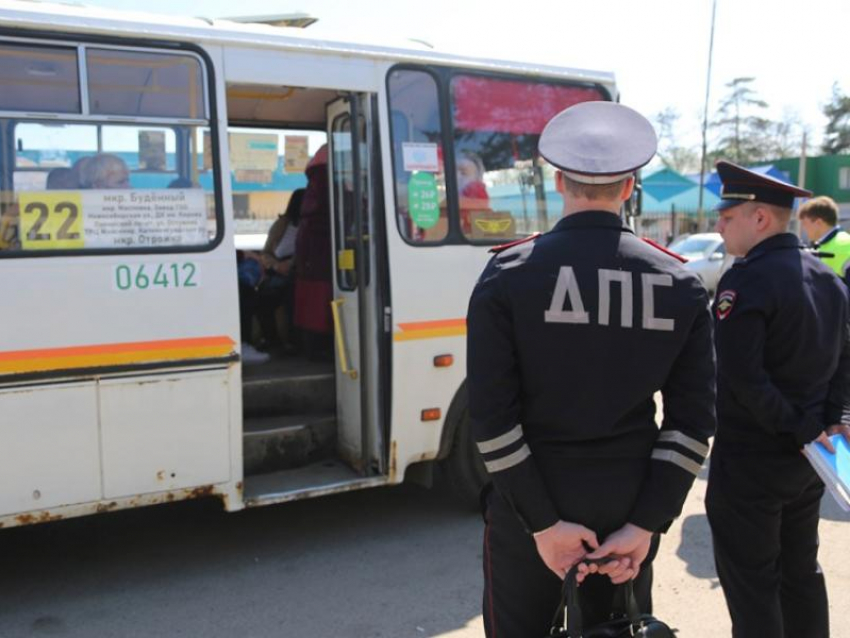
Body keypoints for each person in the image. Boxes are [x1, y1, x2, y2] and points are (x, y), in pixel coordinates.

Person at [467, 101, 717, 637]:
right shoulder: (680, 283)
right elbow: (692, 425)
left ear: (559, 181)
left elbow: (490, 420)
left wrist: (543, 524)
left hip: (528, 507)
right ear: (629, 187)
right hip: (625, 516)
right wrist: (645, 523)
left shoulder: (508, 274)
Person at [705, 161, 850, 638]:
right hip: (809, 462)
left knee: (753, 590)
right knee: (801, 574)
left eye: (726, 217)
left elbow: (743, 380)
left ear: (759, 218)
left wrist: (806, 426)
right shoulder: (828, 279)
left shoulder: (745, 282)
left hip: (752, 465)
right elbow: (844, 360)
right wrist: (830, 420)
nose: (718, 226)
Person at [293, 145, 334, 360]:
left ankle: (313, 349)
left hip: (309, 254)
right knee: (319, 306)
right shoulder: (327, 182)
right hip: (321, 253)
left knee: (312, 306)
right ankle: (319, 352)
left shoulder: (314, 184)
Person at [254, 188, 304, 353]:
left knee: (293, 299)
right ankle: (273, 341)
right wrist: (276, 265)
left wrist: (292, 263)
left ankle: (294, 342)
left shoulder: (311, 226)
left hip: (300, 271)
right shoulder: (282, 224)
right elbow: (266, 253)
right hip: (278, 269)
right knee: (262, 301)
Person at [798, 195, 850, 288]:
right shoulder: (819, 245)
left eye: (805, 223)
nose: (803, 228)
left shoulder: (845, 244)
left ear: (818, 222)